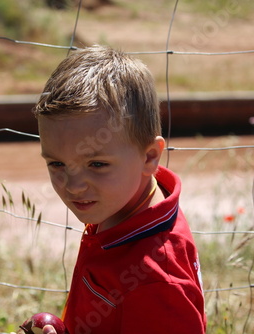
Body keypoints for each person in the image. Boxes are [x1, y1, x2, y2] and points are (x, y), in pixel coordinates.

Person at [26, 45, 206, 334]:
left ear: (150, 157)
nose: (73, 186)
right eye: (57, 163)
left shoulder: (155, 281)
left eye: (96, 164)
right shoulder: (124, 208)